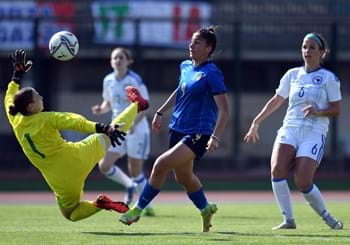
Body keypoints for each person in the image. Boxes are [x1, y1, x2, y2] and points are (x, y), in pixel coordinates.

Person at [4, 49, 149, 222]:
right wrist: (103, 128)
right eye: (37, 97)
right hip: (78, 157)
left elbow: (9, 96)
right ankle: (137, 106)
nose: (41, 97)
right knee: (113, 131)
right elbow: (75, 122)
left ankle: (98, 204)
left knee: (71, 214)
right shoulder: (47, 119)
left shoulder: (14, 117)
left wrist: (17, 76)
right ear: (30, 107)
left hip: (60, 182)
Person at [119, 26, 230, 232]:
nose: (191, 44)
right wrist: (160, 112)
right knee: (183, 178)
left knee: (160, 165)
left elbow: (224, 109)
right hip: (177, 127)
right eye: (191, 41)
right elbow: (180, 90)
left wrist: (215, 136)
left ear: (208, 48)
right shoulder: (185, 66)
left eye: (197, 42)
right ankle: (206, 209)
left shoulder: (212, 73)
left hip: (198, 132)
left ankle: (137, 210)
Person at [243, 33, 343, 230]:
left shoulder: (329, 78)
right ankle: (288, 220)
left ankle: (327, 216)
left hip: (314, 131)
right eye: (305, 47)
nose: (307, 51)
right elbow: (276, 100)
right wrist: (256, 122)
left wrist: (318, 111)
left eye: (312, 47)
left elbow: (336, 110)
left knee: (303, 180)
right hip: (290, 128)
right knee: (277, 169)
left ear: (322, 52)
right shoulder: (292, 75)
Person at [91, 47, 154, 216]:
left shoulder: (135, 80)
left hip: (137, 130)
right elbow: (108, 103)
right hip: (117, 129)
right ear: (111, 62)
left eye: (121, 57)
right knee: (104, 165)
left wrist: (134, 123)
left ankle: (146, 204)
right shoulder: (108, 80)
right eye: (114, 58)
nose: (117, 60)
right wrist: (100, 109)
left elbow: (145, 106)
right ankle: (129, 185)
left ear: (128, 61)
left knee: (135, 171)